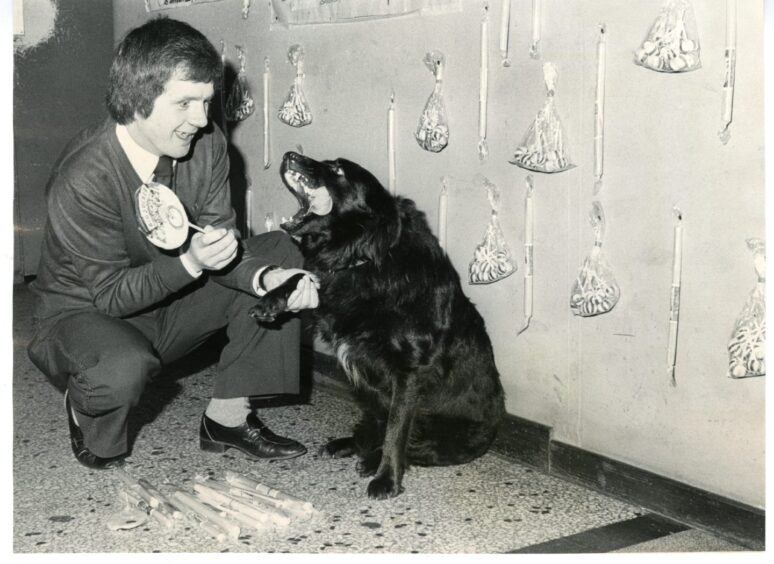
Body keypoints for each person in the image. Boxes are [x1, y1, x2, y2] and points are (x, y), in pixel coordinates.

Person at [27, 17, 319, 470]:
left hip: (170, 298)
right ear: (138, 100)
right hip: (87, 313)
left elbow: (222, 245)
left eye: (206, 102)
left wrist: (267, 277)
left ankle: (227, 418)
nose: (201, 120)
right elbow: (109, 296)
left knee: (281, 250)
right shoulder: (84, 175)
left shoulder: (208, 145)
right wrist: (190, 263)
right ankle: (86, 410)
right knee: (120, 370)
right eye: (185, 103)